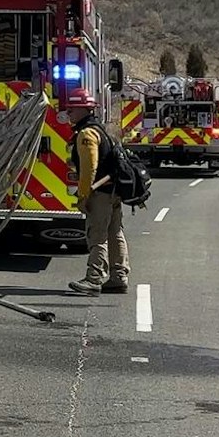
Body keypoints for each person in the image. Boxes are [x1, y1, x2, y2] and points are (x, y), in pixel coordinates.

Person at [64, 89, 130, 295]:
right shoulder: (101, 130)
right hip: (113, 191)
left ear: (84, 109)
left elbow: (89, 168)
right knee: (115, 233)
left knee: (97, 235)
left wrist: (83, 196)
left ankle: (94, 278)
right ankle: (119, 277)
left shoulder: (86, 134)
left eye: (71, 108)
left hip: (100, 194)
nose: (68, 113)